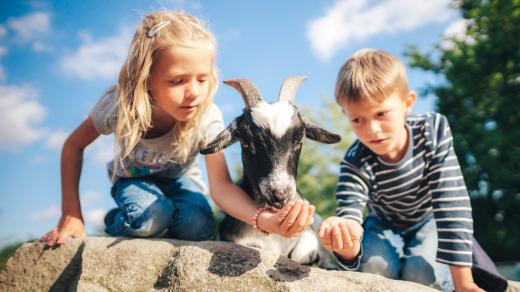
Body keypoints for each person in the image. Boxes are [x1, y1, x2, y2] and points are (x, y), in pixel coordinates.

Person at [41, 11, 314, 246]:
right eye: (177, 81)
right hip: (134, 179)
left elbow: (220, 187)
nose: (193, 92)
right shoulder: (119, 107)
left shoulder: (206, 117)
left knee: (198, 228)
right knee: (149, 217)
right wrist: (71, 213)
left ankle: (165, 222)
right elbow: (73, 146)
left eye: (202, 79)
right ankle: (120, 222)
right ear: (146, 78)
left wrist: (263, 220)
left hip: (183, 183)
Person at [318, 49, 483, 292]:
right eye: (358, 120)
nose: (372, 129)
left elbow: (450, 203)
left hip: (429, 221)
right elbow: (350, 214)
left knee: (420, 274)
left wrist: (465, 284)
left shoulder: (431, 132)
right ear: (347, 116)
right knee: (375, 268)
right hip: (382, 224)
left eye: (381, 114)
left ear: (407, 103)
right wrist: (342, 236)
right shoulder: (355, 162)